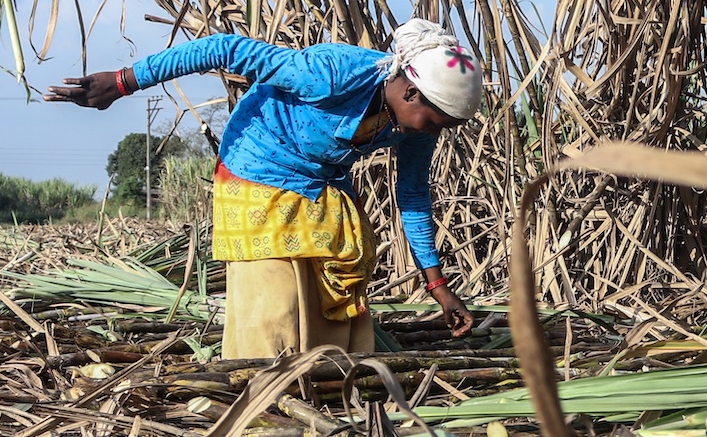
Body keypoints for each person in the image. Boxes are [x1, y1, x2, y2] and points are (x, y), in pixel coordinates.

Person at [46, 19, 480, 358]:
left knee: (335, 295)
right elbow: (223, 48)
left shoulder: (418, 128)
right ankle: (260, 388)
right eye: (439, 122)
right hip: (257, 168)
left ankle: (331, 380)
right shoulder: (331, 75)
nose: (438, 133)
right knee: (273, 302)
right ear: (409, 93)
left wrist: (437, 285)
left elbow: (413, 198)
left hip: (319, 183)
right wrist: (124, 82)